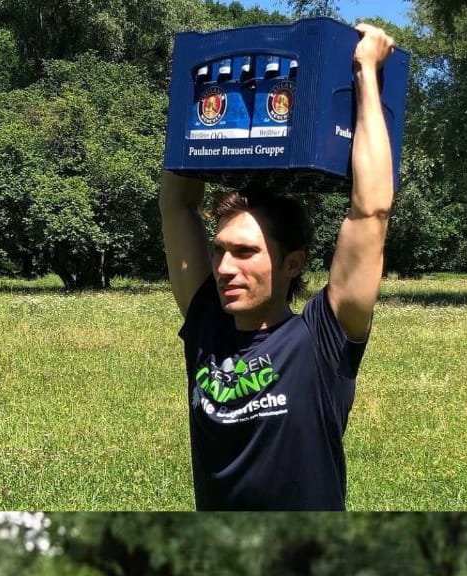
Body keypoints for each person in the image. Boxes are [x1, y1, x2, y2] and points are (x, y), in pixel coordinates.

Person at [158, 23, 396, 510]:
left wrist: (366, 72)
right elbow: (176, 207)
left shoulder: (321, 340)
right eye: (221, 249)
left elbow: (370, 211)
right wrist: (191, 83)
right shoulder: (207, 322)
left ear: (292, 263)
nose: (224, 267)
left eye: (245, 253)